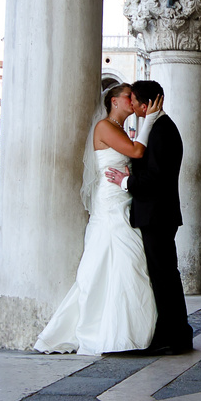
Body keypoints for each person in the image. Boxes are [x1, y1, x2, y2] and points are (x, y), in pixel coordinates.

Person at [35, 84, 158, 355]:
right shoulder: (104, 127)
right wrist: (149, 119)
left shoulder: (120, 130)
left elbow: (132, 156)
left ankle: (124, 330)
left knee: (127, 263)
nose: (133, 100)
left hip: (122, 199)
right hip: (110, 205)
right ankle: (104, 331)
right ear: (114, 101)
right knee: (115, 261)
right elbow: (136, 152)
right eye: (129, 96)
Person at [106, 79, 192, 354]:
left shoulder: (161, 131)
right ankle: (175, 333)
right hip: (157, 214)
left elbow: (155, 178)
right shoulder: (157, 127)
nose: (129, 104)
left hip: (157, 215)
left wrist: (124, 182)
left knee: (164, 276)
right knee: (164, 275)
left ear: (145, 105)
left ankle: (175, 336)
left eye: (133, 100)